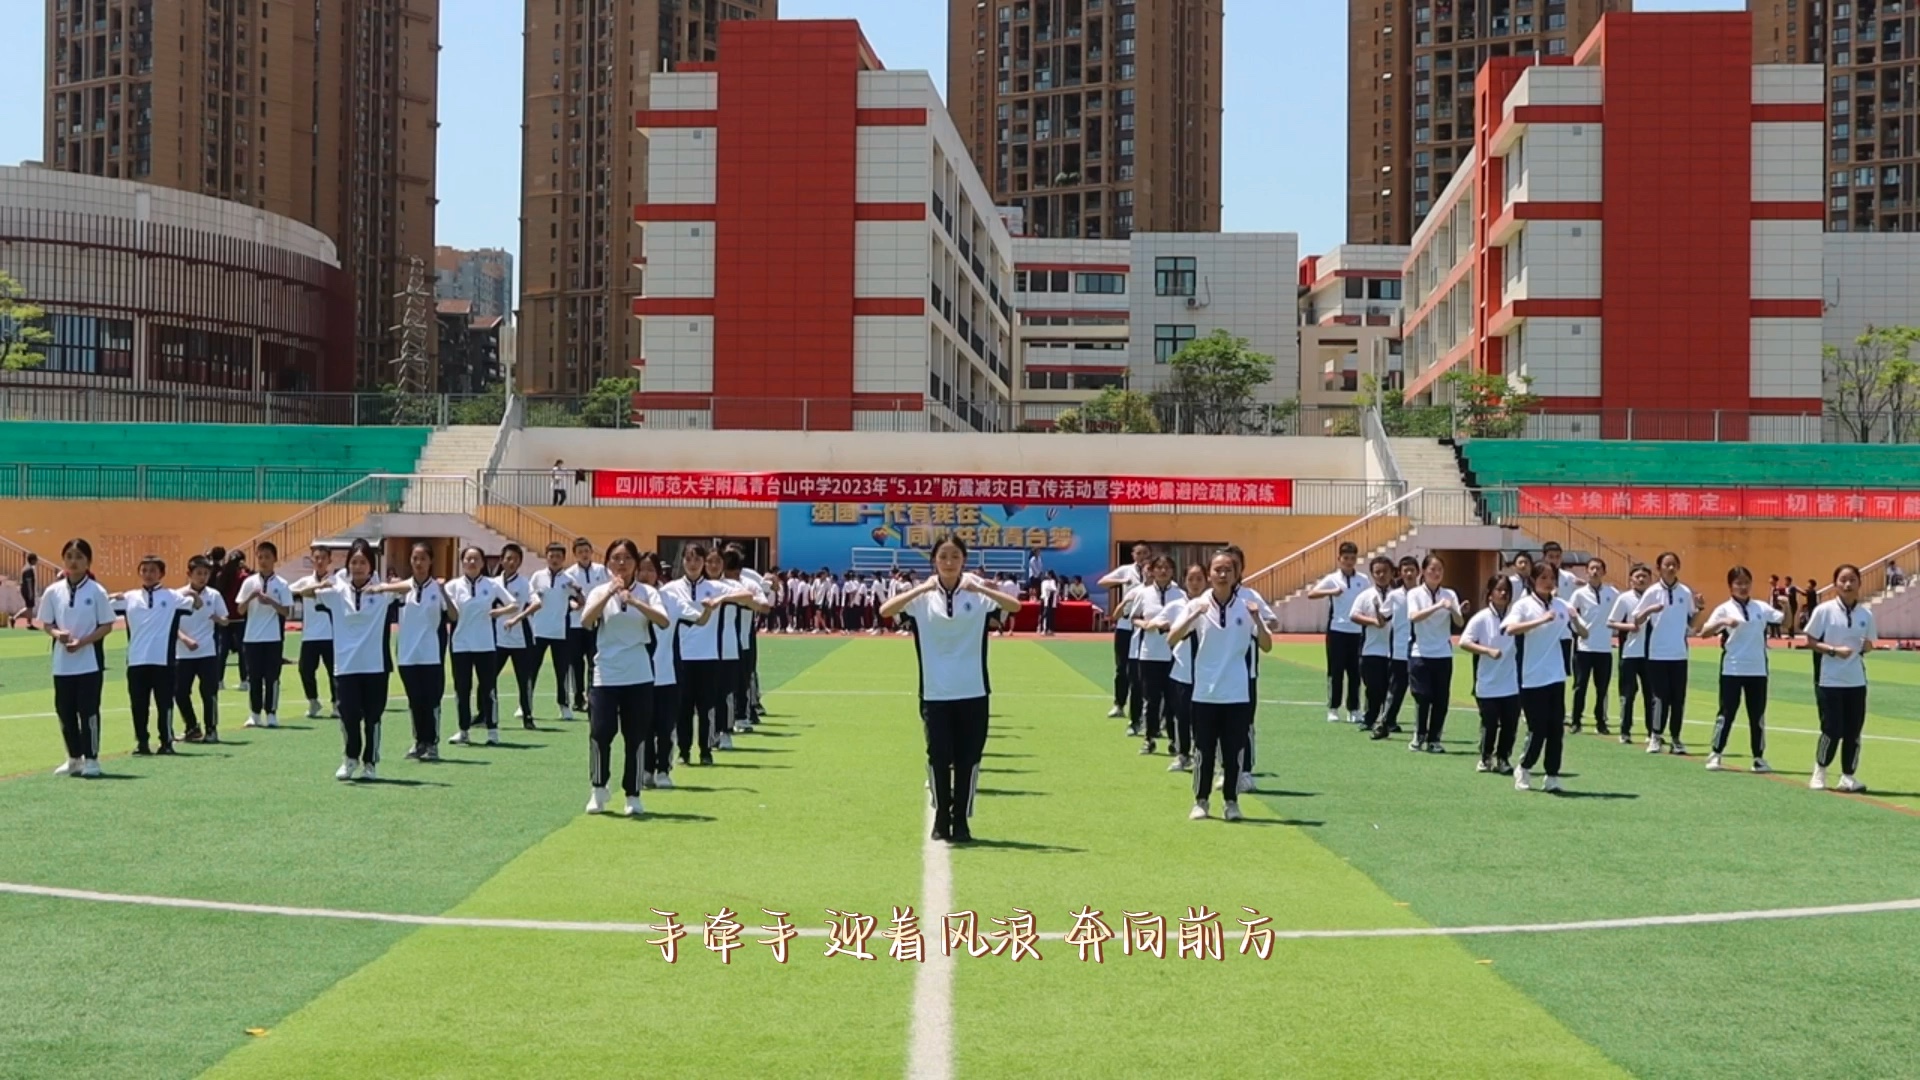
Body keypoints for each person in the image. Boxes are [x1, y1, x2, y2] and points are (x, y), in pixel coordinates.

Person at [880, 534, 1021, 843]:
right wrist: (921, 587)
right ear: (934, 560)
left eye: (955, 556)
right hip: (935, 692)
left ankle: (961, 820)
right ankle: (942, 816)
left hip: (973, 690)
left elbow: (1015, 606)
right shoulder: (922, 598)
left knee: (968, 758)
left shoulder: (978, 594)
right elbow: (886, 611)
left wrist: (980, 587)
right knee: (938, 757)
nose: (948, 562)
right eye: (943, 556)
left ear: (963, 561)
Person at [1168, 549, 1274, 822]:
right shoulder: (1198, 605)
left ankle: (1231, 802)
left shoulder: (1247, 605)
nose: (1222, 574)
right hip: (1204, 692)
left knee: (1233, 751)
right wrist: (1193, 617)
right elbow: (1172, 638)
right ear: (1209, 574)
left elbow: (1267, 645)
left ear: (1237, 574)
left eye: (1228, 569)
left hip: (1236, 692)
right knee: (1203, 749)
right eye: (1217, 569)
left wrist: (1258, 619)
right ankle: (1201, 801)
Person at [299, 540, 411, 782]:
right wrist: (322, 584)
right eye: (354, 562)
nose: (358, 567)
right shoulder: (338, 592)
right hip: (345, 666)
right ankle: (350, 759)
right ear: (348, 565)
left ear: (371, 565)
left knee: (373, 718)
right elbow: (303, 594)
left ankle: (370, 762)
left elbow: (411, 586)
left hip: (375, 666)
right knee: (348, 716)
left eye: (363, 562)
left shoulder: (382, 592)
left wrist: (382, 588)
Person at [580, 539, 671, 816]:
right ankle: (598, 789)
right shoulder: (599, 591)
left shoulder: (647, 592)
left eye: (627, 558)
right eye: (616, 558)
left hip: (638, 673)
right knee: (600, 734)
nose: (622, 563)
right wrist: (609, 594)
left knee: (636, 737)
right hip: (605, 674)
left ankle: (632, 794)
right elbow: (586, 621)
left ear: (635, 563)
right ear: (608, 563)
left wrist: (634, 601)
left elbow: (663, 621)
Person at [37, 538, 114, 778]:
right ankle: (73, 758)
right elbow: (46, 623)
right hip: (62, 663)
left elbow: (107, 625)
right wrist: (57, 633)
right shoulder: (53, 591)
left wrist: (83, 642)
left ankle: (92, 759)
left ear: (88, 562)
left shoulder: (96, 591)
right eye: (69, 556)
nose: (74, 561)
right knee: (65, 711)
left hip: (89, 662)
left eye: (79, 557)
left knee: (88, 710)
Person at [1503, 562, 1582, 792]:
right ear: (1533, 580)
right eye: (1543, 577)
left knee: (1556, 729)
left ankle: (1552, 775)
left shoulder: (1561, 605)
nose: (1548, 582)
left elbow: (1583, 632)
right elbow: (1510, 629)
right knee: (1538, 729)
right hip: (1532, 677)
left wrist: (1575, 618)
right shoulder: (1524, 605)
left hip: (1555, 675)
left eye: (1551, 577)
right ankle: (1524, 767)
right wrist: (1541, 620)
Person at [1702, 565, 1785, 773]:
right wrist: (1722, 622)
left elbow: (1784, 621)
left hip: (1758, 669)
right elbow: (1703, 632)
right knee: (1726, 713)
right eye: (1738, 583)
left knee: (1757, 715)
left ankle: (1758, 757)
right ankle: (1716, 753)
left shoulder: (1761, 607)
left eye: (1746, 582)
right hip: (1733, 668)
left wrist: (1787, 607)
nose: (1743, 587)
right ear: (1730, 586)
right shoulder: (1724, 609)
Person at [1805, 564, 1877, 793]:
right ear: (1836, 583)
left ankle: (1848, 776)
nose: (1847, 584)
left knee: (1853, 731)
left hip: (1856, 681)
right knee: (1832, 729)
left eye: (1852, 580)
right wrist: (1834, 650)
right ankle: (1820, 770)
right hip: (1830, 680)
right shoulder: (1824, 611)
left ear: (1859, 583)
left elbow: (1868, 644)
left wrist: (1867, 647)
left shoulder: (1866, 614)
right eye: (1843, 580)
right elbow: (1811, 641)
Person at [115, 554, 197, 756]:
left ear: (162, 573)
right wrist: (113, 597)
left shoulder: (172, 597)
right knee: (138, 704)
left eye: (152, 570)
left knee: (164, 703)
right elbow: (105, 609)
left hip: (163, 660)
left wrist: (195, 596)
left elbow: (195, 605)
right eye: (144, 570)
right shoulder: (129, 597)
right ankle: (142, 742)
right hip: (136, 659)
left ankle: (166, 741)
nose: (148, 574)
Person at [445, 545, 518, 746]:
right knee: (462, 689)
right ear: (462, 562)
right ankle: (463, 730)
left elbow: (514, 604)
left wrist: (499, 612)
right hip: (460, 644)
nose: (471, 562)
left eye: (476, 559)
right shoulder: (453, 586)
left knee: (488, 688)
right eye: (467, 559)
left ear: (483, 562)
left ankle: (492, 731)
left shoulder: (491, 584)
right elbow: (448, 611)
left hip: (485, 644)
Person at [1633, 552, 1701, 755]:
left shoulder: (1685, 592)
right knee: (1660, 697)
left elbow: (1692, 623)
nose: (1671, 568)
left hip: (1679, 653)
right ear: (1659, 568)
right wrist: (1650, 610)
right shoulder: (1652, 592)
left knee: (1678, 698)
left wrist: (1700, 609)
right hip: (1657, 653)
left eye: (1674, 565)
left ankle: (1676, 738)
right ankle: (1655, 735)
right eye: (1667, 565)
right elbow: (1636, 619)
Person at [394, 543, 453, 761]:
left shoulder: (437, 589)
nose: (418, 563)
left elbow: (454, 616)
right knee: (414, 700)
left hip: (430, 653)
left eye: (423, 559)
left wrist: (444, 592)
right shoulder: (401, 588)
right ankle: (419, 741)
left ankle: (432, 743)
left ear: (430, 561)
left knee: (431, 700)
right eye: (414, 558)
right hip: (406, 653)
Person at [1123, 556, 1184, 757]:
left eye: (1167, 568)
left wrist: (1170, 626)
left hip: (1174, 655)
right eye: (1159, 567)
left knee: (1174, 700)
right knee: (1151, 700)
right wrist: (1147, 625)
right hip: (1149, 654)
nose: (1163, 571)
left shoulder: (1180, 595)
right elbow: (1133, 617)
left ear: (1173, 571)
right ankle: (1149, 738)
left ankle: (1175, 741)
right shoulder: (1145, 594)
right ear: (1152, 571)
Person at [1460, 574, 1520, 774]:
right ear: (1490, 594)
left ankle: (1503, 758)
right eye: (1499, 589)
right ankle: (1485, 757)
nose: (1503, 593)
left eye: (1507, 590)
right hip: (1487, 682)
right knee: (1490, 724)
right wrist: (1487, 651)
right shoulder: (1481, 618)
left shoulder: (1515, 618)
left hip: (1510, 682)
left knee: (1510, 724)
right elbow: (1464, 642)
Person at [1405, 554, 1465, 753]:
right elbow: (1414, 617)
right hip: (1420, 652)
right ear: (1423, 571)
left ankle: (1434, 738)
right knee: (1423, 696)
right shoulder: (1414, 594)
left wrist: (1455, 610)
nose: (1436, 573)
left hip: (1443, 653)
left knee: (1441, 699)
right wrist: (1438, 606)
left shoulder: (1450, 594)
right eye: (1432, 569)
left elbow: (1459, 623)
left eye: (1440, 569)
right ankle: (1419, 733)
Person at [1306, 541, 1368, 725]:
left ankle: (1354, 709)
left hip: (1357, 632)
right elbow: (1311, 593)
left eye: (1352, 558)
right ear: (1339, 559)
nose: (1349, 562)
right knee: (1336, 671)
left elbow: (1369, 599)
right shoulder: (1333, 578)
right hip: (1337, 631)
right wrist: (1332, 591)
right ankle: (1333, 708)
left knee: (1355, 672)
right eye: (1346, 558)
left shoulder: (1363, 580)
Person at [640, 551, 687, 788]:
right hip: (638, 674)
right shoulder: (628, 597)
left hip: (667, 672)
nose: (646, 574)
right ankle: (646, 769)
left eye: (651, 569)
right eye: (642, 569)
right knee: (643, 726)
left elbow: (695, 616)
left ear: (658, 572)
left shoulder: (670, 597)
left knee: (665, 725)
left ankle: (663, 770)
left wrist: (709, 609)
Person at [173, 555, 231, 744]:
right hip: (183, 652)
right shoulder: (178, 595)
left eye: (206, 573)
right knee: (180, 692)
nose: (202, 577)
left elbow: (225, 619)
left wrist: (218, 619)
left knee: (209, 692)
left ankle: (211, 730)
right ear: (189, 574)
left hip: (207, 652)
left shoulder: (214, 595)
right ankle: (192, 727)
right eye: (198, 573)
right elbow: (170, 623)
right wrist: (185, 639)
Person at [236, 542, 294, 729]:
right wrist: (251, 597)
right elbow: (240, 610)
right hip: (252, 638)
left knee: (272, 677)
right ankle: (254, 714)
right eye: (260, 557)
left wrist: (270, 601)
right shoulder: (249, 582)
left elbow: (286, 612)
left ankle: (271, 713)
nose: (263, 561)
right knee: (254, 678)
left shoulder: (282, 584)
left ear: (274, 559)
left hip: (273, 638)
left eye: (267, 557)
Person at [525, 542, 582, 721]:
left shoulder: (569, 579)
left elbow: (581, 601)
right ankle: (525, 704)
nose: (555, 559)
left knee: (562, 671)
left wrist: (576, 596)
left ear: (564, 559)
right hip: (538, 630)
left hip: (561, 632)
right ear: (546, 557)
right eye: (552, 556)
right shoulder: (537, 576)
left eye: (558, 556)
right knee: (530, 670)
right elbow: (529, 597)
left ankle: (564, 706)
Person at [1098, 542, 1152, 721]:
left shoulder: (1154, 571)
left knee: (1142, 669)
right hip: (1125, 624)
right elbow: (1102, 582)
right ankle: (1119, 704)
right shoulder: (1126, 570)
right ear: (1133, 555)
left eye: (1145, 553)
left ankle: (1145, 709)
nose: (1142, 556)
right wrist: (1121, 581)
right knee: (1122, 667)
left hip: (1146, 625)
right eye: (1139, 553)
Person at [1347, 556, 1400, 735]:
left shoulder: (1399, 595)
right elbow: (1353, 615)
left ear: (1393, 572)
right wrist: (1372, 621)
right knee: (1373, 686)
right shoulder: (1366, 595)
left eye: (1385, 571)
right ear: (1372, 575)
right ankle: (1370, 718)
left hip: (1394, 650)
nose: (1382, 575)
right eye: (1377, 572)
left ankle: (1388, 721)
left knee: (1391, 688)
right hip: (1372, 648)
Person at [1568, 558, 1619, 736]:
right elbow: (1571, 615)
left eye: (1598, 568)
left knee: (1602, 688)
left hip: (1604, 648)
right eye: (1592, 568)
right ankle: (1576, 720)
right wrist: (1579, 629)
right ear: (1587, 572)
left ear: (1604, 572)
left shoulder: (1612, 593)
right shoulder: (1579, 594)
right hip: (1584, 648)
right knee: (1580, 686)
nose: (1595, 571)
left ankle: (1600, 721)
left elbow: (1621, 612)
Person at [291, 543, 341, 721]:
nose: (319, 561)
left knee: (334, 671)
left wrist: (319, 587)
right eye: (316, 558)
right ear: (312, 560)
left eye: (323, 558)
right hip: (310, 635)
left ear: (329, 560)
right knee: (305, 670)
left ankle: (337, 703)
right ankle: (313, 701)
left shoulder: (336, 581)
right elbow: (291, 591)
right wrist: (316, 587)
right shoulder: (306, 581)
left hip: (331, 634)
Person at [562, 538, 612, 714]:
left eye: (587, 551)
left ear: (591, 552)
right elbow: (564, 598)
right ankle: (577, 697)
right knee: (576, 663)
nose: (584, 554)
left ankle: (592, 696)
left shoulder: (602, 570)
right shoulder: (568, 574)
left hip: (597, 623)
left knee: (594, 660)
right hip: (576, 624)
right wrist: (572, 605)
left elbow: (612, 589)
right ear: (575, 554)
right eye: (580, 551)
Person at [493, 543, 539, 731]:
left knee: (524, 679)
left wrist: (518, 618)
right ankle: (486, 714)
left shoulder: (525, 583)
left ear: (520, 562)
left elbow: (537, 604)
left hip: (522, 640)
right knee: (488, 678)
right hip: (497, 639)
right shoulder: (492, 583)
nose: (511, 562)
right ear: (502, 560)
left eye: (515, 559)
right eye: (508, 558)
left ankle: (527, 715)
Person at [1607, 564, 1653, 746]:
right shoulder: (1624, 599)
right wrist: (1630, 627)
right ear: (1631, 579)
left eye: (1644, 576)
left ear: (1650, 579)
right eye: (1638, 576)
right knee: (1628, 693)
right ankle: (1625, 731)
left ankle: (1653, 732)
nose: (1641, 579)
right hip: (1629, 653)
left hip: (1651, 654)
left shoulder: (1655, 598)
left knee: (1651, 695)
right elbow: (1611, 622)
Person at [215, 548, 250, 691]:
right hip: (240, 617)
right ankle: (244, 680)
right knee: (243, 650)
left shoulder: (221, 575)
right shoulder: (243, 577)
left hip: (225, 616)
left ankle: (219, 680)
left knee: (222, 650)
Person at [13, 552, 37, 629]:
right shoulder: (28, 570)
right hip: (27, 590)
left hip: (25, 589)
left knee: (29, 607)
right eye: (35, 560)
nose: (36, 562)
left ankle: (28, 623)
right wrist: (30, 593)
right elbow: (29, 582)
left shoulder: (26, 568)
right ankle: (15, 618)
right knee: (29, 607)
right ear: (32, 560)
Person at [1038, 570, 1060, 636]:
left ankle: (1049, 629)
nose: (1046, 575)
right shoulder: (1044, 582)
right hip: (1044, 599)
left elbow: (1055, 589)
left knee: (1050, 616)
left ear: (1050, 575)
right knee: (1044, 615)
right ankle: (1043, 629)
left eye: (1047, 574)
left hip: (1051, 600)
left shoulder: (1053, 581)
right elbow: (1044, 590)